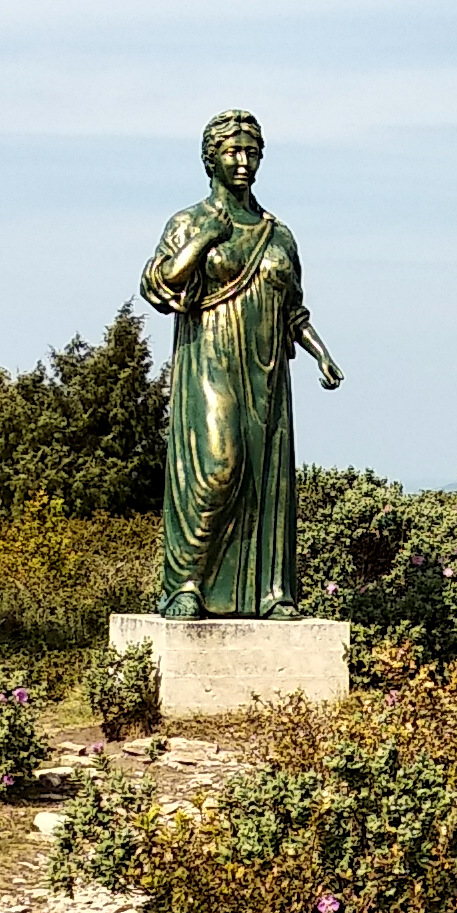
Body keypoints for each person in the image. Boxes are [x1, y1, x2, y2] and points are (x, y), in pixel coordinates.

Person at [139, 109, 341, 617]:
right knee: (218, 465)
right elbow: (159, 286)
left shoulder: (280, 236)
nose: (244, 161)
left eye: (252, 151)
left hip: (267, 370)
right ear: (211, 158)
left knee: (265, 479)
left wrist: (321, 353)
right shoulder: (188, 222)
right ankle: (185, 584)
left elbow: (293, 309)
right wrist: (208, 236)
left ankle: (271, 593)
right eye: (233, 151)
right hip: (209, 359)